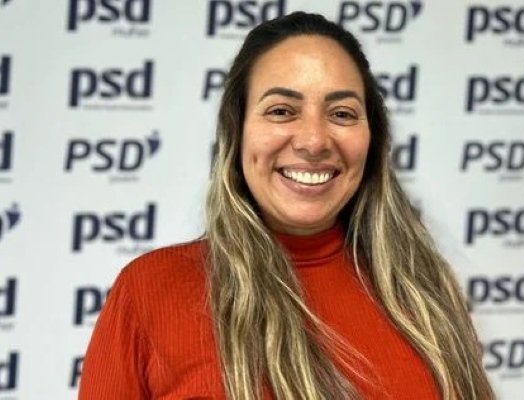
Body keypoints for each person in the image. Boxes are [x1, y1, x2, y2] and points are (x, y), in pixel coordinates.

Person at [79, 12, 495, 400]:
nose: (313, 141)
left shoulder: (426, 294)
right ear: (237, 131)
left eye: (342, 113)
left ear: (373, 138)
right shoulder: (149, 291)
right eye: (281, 111)